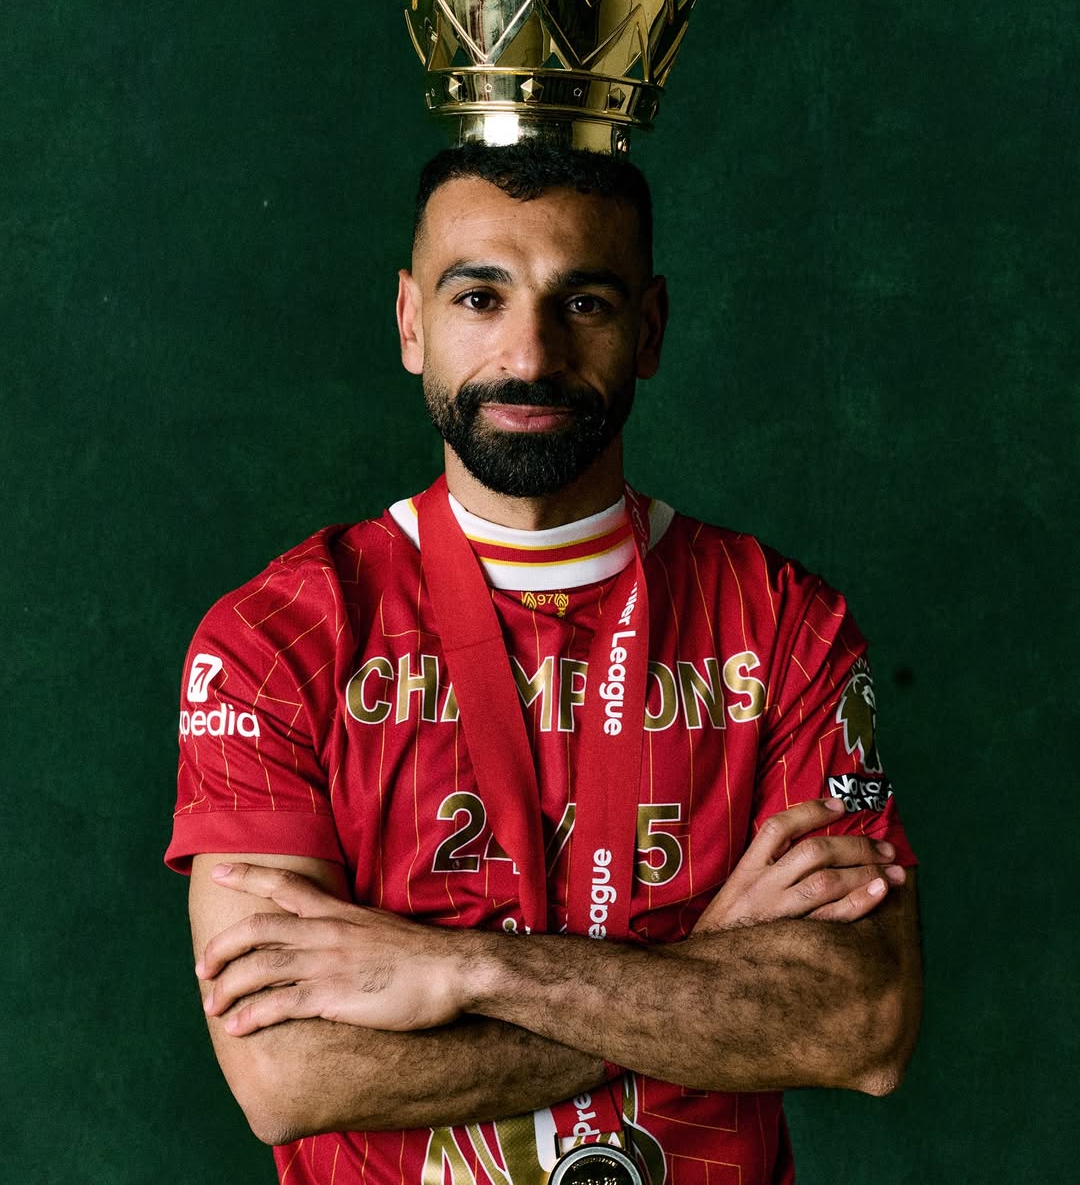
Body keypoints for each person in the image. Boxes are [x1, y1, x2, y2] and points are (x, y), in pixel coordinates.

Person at [167, 140, 921, 1185]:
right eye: (480, 297)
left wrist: (457, 968)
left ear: (647, 328)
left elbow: (861, 1024)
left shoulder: (784, 622)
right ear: (408, 320)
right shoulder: (277, 638)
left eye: (584, 304)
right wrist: (705, 978)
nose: (529, 355)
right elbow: (289, 1076)